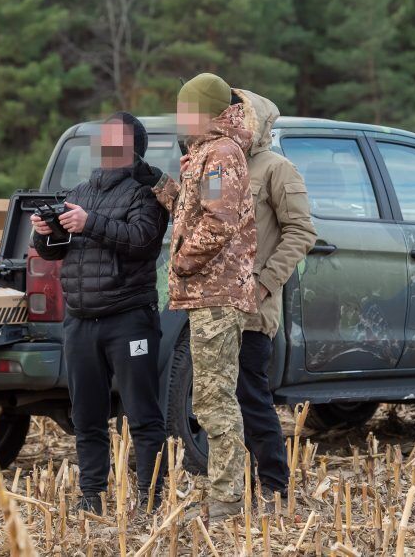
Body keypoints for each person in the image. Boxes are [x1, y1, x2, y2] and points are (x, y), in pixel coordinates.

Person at [31, 112, 169, 514]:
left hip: (129, 318)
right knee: (86, 418)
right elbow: (60, 252)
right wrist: (49, 234)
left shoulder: (146, 194)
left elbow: (143, 241)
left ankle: (150, 499)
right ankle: (91, 498)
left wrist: (90, 223)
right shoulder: (80, 190)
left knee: (142, 414)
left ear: (132, 146)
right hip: (80, 321)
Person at [137, 72, 257, 522]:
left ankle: (226, 501)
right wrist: (158, 183)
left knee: (213, 398)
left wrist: (182, 263)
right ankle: (219, 492)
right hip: (208, 293)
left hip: (215, 293)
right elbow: (196, 209)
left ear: (205, 112)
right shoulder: (206, 153)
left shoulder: (221, 154)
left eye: (185, 110)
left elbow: (218, 221)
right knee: (209, 397)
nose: (179, 117)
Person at [230, 87, 316, 505]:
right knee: (217, 402)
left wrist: (265, 283)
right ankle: (232, 484)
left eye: (241, 116)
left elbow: (302, 232)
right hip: (215, 307)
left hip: (252, 310)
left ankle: (275, 484)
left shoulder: (277, 169)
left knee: (251, 396)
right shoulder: (216, 167)